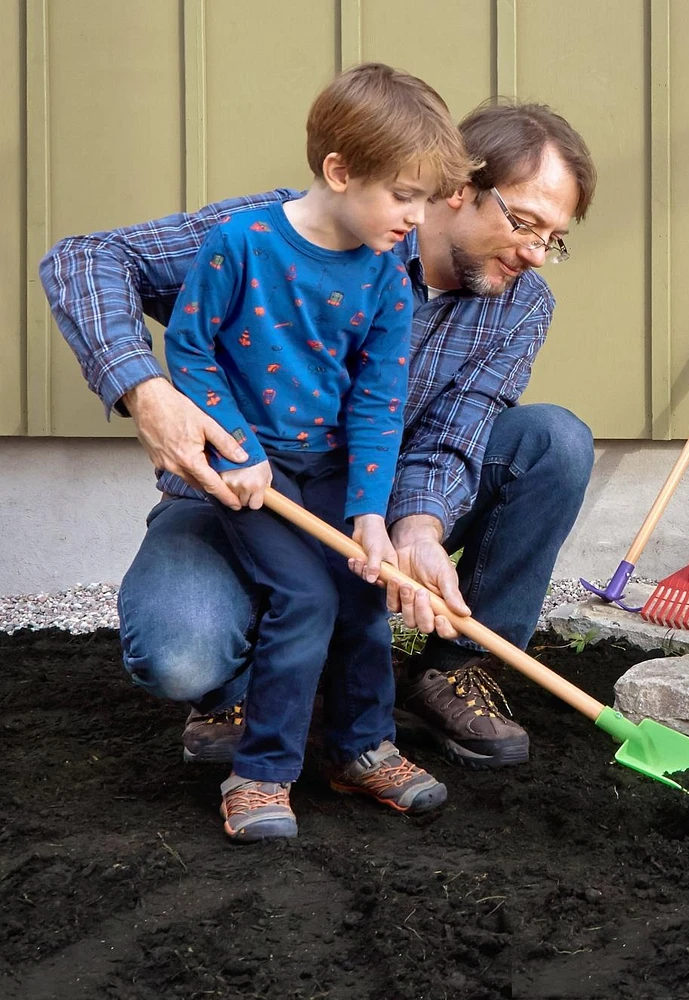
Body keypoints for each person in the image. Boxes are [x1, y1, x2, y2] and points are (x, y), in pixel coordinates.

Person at [40, 96, 597, 777]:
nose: (536, 255)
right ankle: (234, 689)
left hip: (367, 496)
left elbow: (458, 428)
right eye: (526, 224)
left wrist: (418, 531)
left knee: (553, 441)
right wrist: (146, 391)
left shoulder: (520, 305)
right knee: (180, 657)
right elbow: (85, 258)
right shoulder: (280, 235)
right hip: (243, 494)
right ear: (459, 191)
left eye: (554, 239)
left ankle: (449, 672)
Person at [157, 63, 475, 842]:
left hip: (331, 471)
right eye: (403, 195)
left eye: (425, 200)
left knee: (365, 593)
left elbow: (377, 403)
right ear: (338, 171)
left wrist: (371, 513)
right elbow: (190, 353)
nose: (415, 216)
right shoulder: (244, 243)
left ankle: (362, 750)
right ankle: (260, 773)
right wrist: (235, 447)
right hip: (253, 475)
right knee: (304, 600)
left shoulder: (387, 280)